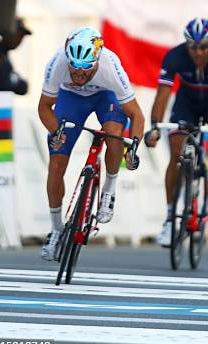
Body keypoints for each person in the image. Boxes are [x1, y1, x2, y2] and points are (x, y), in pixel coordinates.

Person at [38, 27, 145, 260]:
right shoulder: (57, 63)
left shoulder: (110, 67)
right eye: (74, 66)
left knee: (114, 135)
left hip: (106, 95)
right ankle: (56, 229)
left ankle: (108, 189)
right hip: (70, 99)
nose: (78, 73)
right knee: (56, 164)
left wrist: (133, 147)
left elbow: (137, 115)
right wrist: (55, 131)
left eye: (86, 68)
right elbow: (44, 107)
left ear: (97, 61)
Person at [145, 18, 208, 247]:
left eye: (204, 47)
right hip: (186, 104)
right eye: (194, 47)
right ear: (186, 45)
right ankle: (169, 219)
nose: (199, 52)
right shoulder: (175, 56)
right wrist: (155, 126)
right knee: (176, 156)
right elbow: (163, 95)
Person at [0, 18, 31, 95]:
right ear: (8, 33)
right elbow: (3, 83)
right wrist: (14, 80)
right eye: (18, 35)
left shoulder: (3, 53)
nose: (19, 40)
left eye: (22, 37)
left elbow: (23, 88)